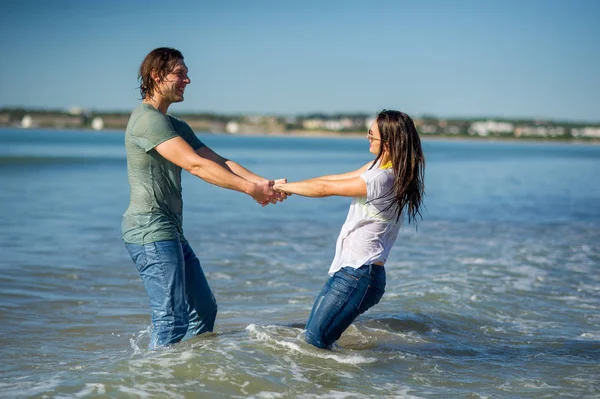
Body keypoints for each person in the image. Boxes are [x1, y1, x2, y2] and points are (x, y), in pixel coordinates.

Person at [122, 47, 285, 349]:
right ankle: (154, 384)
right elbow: (195, 165)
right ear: (157, 76)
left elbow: (218, 161)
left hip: (170, 231)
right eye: (180, 73)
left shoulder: (175, 125)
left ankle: (182, 376)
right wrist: (249, 190)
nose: (188, 79)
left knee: (203, 311)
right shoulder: (147, 120)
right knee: (171, 318)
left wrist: (263, 183)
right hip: (149, 230)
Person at [274, 110, 425, 349]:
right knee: (312, 340)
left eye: (371, 135)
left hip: (359, 275)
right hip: (350, 271)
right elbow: (332, 179)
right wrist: (285, 186)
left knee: (315, 342)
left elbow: (326, 189)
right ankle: (340, 382)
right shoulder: (377, 168)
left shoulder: (383, 179)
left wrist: (282, 188)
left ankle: (339, 382)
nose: (368, 138)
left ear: (387, 142)